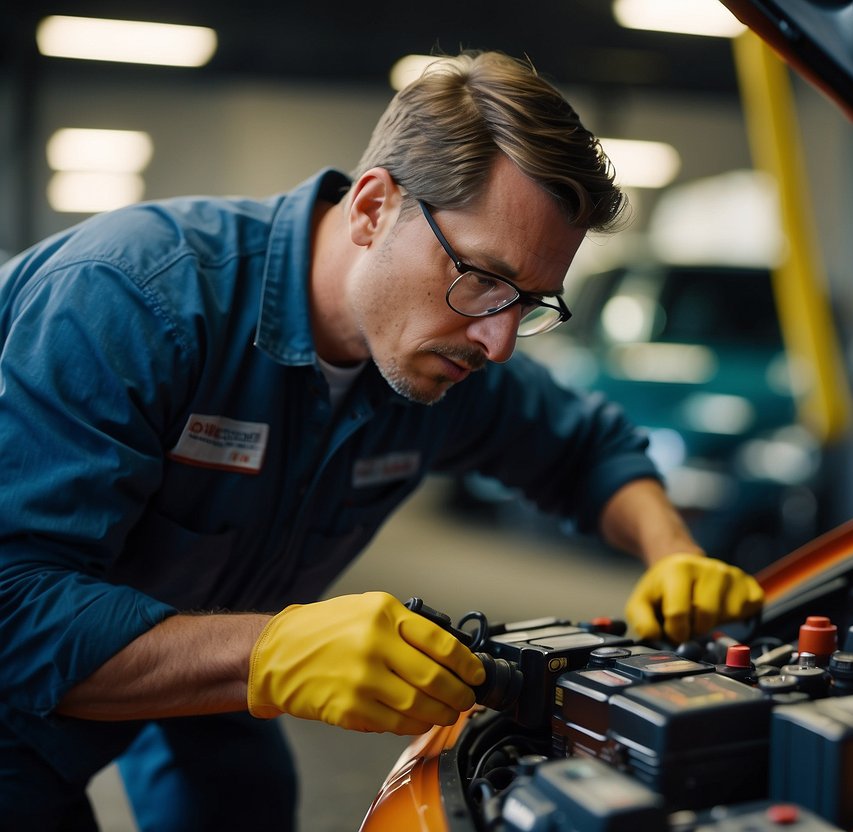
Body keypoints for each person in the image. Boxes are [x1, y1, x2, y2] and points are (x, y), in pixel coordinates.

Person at [0, 50, 763, 829]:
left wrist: (673, 552)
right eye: (482, 277)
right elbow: (13, 606)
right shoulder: (131, 303)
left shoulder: (439, 352)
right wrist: (269, 651)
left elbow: (585, 448)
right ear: (371, 209)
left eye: (531, 302)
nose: (499, 341)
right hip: (19, 684)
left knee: (244, 802)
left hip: (194, 623)